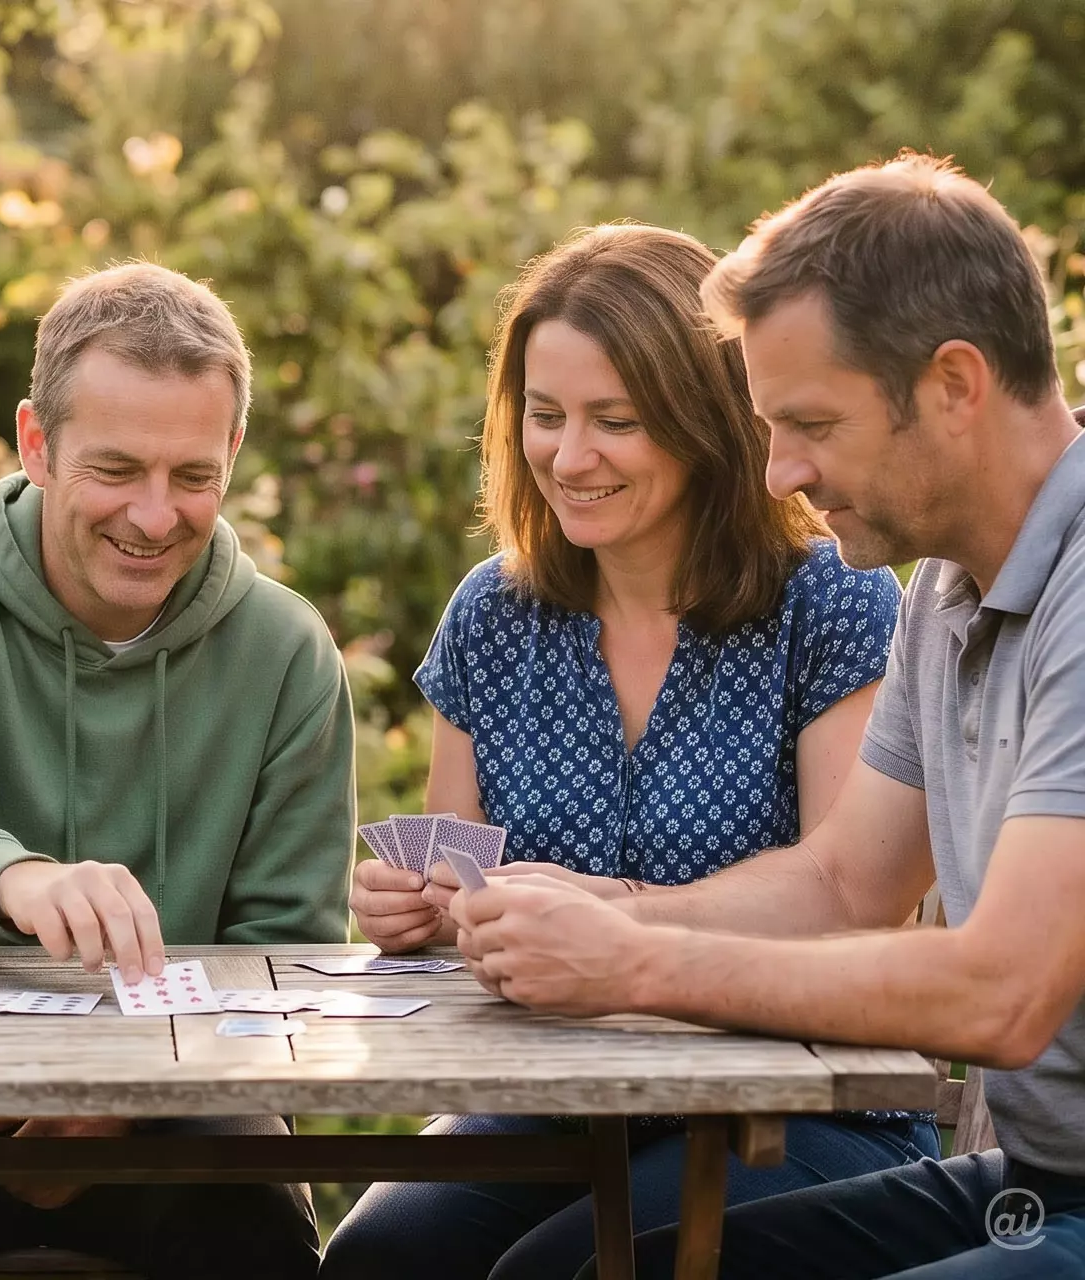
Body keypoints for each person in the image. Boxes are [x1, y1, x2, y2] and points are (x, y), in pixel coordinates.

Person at [446, 155, 1085, 1279]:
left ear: (954, 384)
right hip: (1035, 1184)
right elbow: (845, 881)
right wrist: (617, 914)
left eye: (812, 424)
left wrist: (640, 966)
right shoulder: (947, 590)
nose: (781, 468)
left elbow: (1005, 990)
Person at [325, 224, 939, 1280]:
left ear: (705, 421)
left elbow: (861, 905)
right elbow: (455, 882)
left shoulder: (830, 601)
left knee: (572, 1269)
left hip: (793, 1099)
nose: (569, 456)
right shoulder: (494, 615)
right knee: (379, 1256)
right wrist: (413, 912)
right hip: (552, 1093)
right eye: (546, 416)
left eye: (615, 420)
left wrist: (619, 918)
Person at [0, 262, 354, 1279]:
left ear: (232, 451)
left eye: (193, 476)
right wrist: (23, 878)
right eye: (116, 469)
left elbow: (292, 944)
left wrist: (129, 1088)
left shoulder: (285, 649)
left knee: (258, 1208)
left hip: (182, 1098)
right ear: (36, 444)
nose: (153, 515)